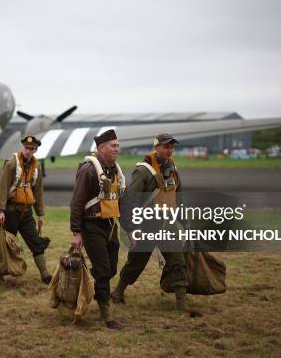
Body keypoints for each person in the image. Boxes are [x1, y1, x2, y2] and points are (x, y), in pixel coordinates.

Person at [112, 133, 190, 312]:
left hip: (168, 224)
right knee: (136, 262)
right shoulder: (143, 170)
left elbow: (178, 198)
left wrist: (185, 223)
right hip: (147, 225)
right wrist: (132, 227)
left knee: (178, 261)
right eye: (166, 147)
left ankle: (182, 304)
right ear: (156, 147)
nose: (169, 150)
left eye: (172, 147)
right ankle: (118, 292)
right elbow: (130, 201)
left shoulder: (172, 168)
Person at [69, 129, 125, 330]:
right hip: (91, 227)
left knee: (111, 269)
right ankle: (107, 315)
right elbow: (77, 202)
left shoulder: (116, 170)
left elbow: (120, 202)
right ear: (101, 149)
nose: (117, 148)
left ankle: (95, 288)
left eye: (118, 145)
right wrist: (76, 232)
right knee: (103, 271)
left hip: (110, 226)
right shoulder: (89, 170)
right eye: (113, 145)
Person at [0, 135, 51, 284]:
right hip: (10, 212)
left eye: (31, 149)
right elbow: (3, 188)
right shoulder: (11, 164)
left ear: (35, 150)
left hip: (26, 213)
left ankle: (45, 273)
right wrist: (0, 211)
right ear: (23, 148)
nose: (28, 151)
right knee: (7, 245)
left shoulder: (36, 167)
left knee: (35, 242)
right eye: (26, 148)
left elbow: (38, 192)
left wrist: (40, 214)